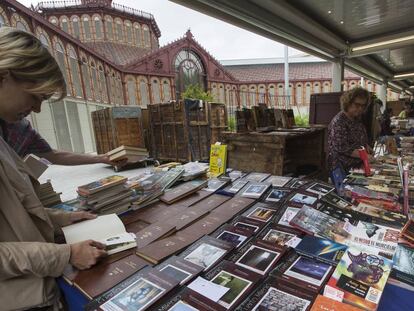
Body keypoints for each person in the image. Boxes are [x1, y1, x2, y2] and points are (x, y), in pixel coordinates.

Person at [0, 27, 107, 310]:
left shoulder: (3, 136)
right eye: (34, 95)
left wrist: (60, 219)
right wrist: (66, 254)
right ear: (5, 75)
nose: (36, 109)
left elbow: (12, 212)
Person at [327, 87, 373, 174]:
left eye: (363, 106)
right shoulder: (339, 121)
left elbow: (357, 137)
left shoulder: (356, 118)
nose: (360, 109)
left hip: (356, 166)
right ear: (348, 102)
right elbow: (342, 148)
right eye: (357, 105)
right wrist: (365, 156)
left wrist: (365, 146)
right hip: (342, 168)